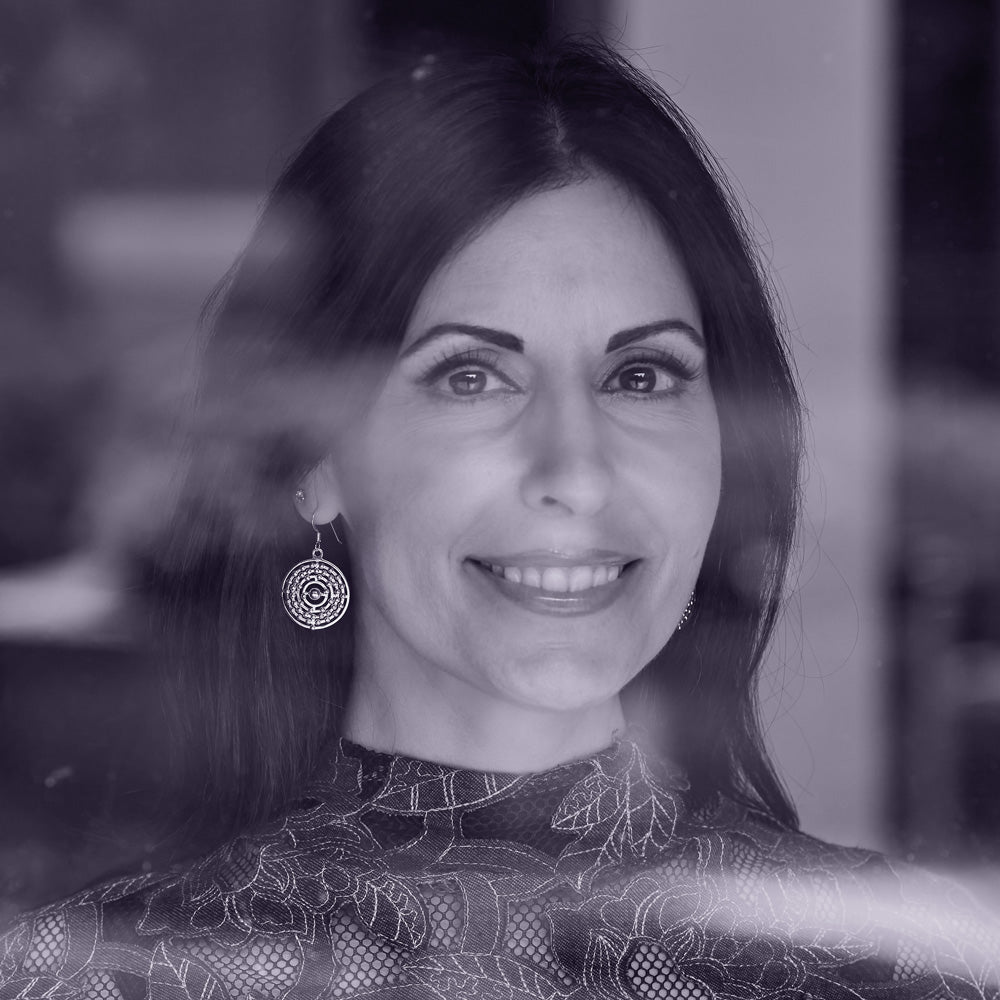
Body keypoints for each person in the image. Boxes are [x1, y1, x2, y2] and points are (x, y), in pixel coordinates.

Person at [1, 38, 998, 1000]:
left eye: (640, 375)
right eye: (470, 375)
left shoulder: (906, 969)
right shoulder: (93, 973)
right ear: (309, 455)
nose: (574, 469)